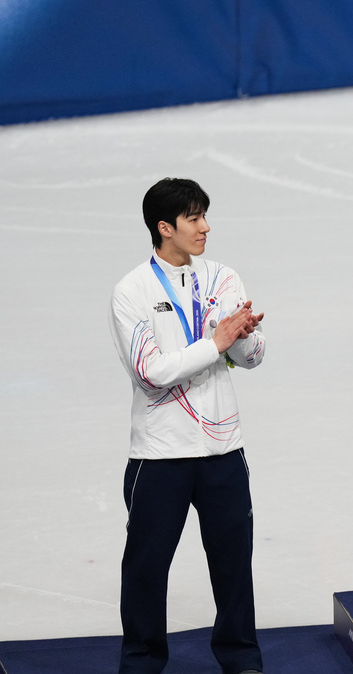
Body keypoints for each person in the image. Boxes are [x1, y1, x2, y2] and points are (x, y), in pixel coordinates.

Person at [109, 178, 266, 674]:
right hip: (160, 457)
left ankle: (242, 661)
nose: (205, 227)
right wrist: (217, 342)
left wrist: (243, 337)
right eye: (194, 218)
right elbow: (150, 373)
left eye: (204, 215)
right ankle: (141, 663)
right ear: (164, 228)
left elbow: (255, 358)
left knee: (234, 568)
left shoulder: (223, 278)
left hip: (224, 450)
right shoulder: (131, 291)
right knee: (146, 572)